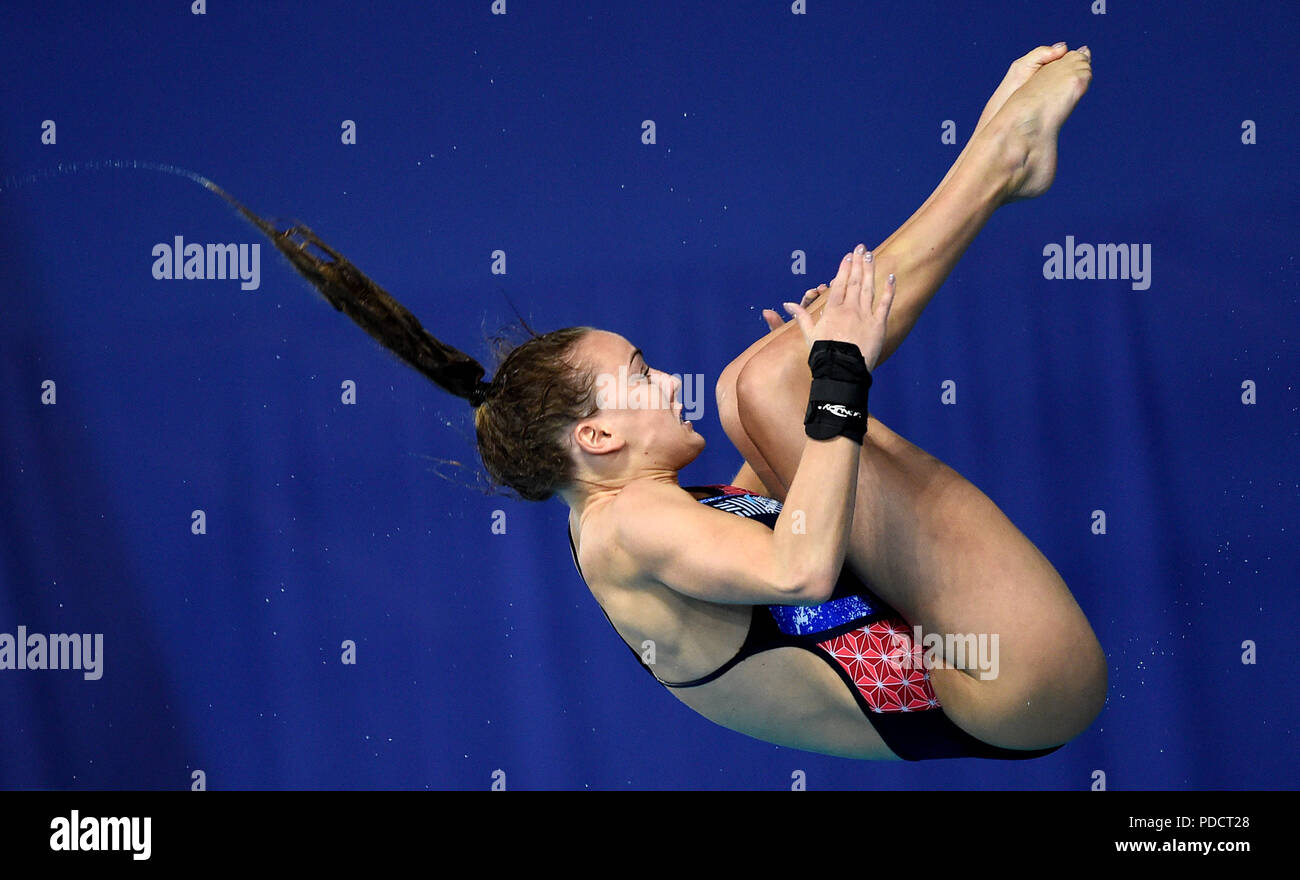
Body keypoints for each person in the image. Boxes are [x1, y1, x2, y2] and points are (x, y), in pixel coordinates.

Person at [251, 44, 1104, 760]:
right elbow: (799, 569)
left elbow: (796, 524)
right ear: (596, 432)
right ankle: (996, 160)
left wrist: (822, 366)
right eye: (641, 370)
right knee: (770, 384)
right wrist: (832, 373)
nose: (665, 381)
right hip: (1012, 678)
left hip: (991, 678)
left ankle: (999, 167)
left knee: (755, 388)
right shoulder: (628, 528)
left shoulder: (632, 525)